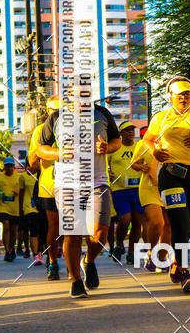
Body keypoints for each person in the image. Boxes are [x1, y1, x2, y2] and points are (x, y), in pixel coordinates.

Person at [37, 95, 120, 298]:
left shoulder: (102, 113)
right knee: (72, 233)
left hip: (97, 182)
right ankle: (75, 281)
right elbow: (41, 148)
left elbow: (116, 140)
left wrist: (108, 147)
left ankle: (88, 261)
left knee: (100, 233)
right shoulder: (56, 117)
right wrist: (59, 153)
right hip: (67, 184)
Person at [143, 76, 190, 293]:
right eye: (179, 94)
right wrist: (155, 151)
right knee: (179, 220)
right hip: (170, 173)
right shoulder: (161, 117)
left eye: (187, 94)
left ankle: (175, 263)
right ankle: (183, 270)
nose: (183, 98)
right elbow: (148, 139)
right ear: (170, 96)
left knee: (189, 221)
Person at [28, 96, 61, 280]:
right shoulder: (40, 130)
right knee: (53, 226)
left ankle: (76, 262)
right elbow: (32, 162)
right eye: (55, 110)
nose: (58, 114)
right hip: (49, 183)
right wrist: (38, 154)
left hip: (73, 182)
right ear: (48, 111)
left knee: (72, 227)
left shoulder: (74, 128)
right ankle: (53, 262)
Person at [130, 143, 172, 274]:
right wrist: (140, 167)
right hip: (149, 187)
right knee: (156, 222)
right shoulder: (144, 143)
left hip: (169, 186)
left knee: (169, 225)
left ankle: (161, 259)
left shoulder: (172, 140)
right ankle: (151, 254)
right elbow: (133, 164)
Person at [107, 120, 144, 265]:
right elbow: (104, 163)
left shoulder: (139, 147)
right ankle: (119, 244)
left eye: (132, 130)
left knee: (137, 222)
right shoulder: (114, 147)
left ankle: (131, 253)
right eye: (127, 130)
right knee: (125, 219)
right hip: (119, 190)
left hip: (138, 189)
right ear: (121, 133)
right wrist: (108, 173)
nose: (131, 132)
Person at [0, 157, 20, 261]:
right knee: (6, 226)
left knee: (14, 230)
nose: (9, 168)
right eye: (7, 166)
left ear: (14, 166)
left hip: (15, 207)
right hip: (3, 206)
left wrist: (18, 192)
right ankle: (7, 251)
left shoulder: (19, 176)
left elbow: (24, 189)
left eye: (11, 166)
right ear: (4, 167)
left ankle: (11, 249)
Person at [18, 161, 41, 267]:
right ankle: (35, 255)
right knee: (33, 230)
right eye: (29, 165)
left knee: (41, 231)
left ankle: (40, 252)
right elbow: (21, 193)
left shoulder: (40, 175)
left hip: (41, 206)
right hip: (28, 207)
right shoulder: (22, 177)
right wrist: (20, 209)